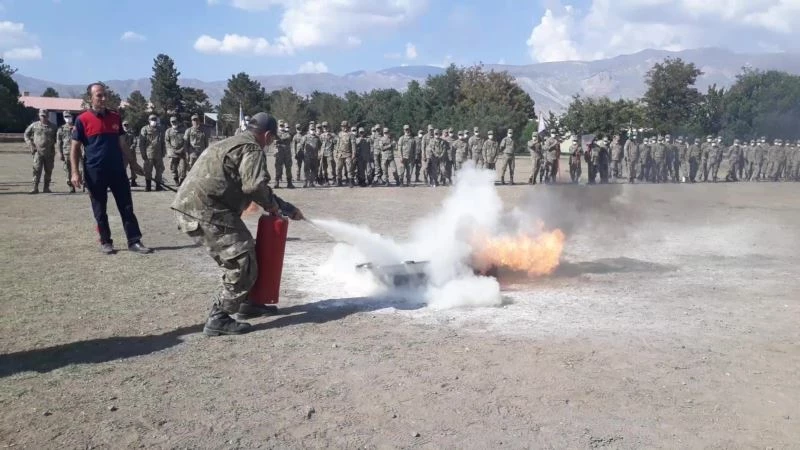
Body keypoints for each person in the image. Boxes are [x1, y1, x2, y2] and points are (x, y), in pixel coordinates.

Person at [171, 113, 304, 336]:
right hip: (206, 210)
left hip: (199, 206)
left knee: (248, 252)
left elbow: (252, 185)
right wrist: (273, 206)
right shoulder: (252, 148)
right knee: (242, 260)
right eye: (272, 139)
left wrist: (284, 207)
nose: (271, 143)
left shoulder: (232, 142)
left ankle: (247, 303)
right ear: (267, 135)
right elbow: (254, 186)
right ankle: (219, 317)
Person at [70, 82, 152, 255]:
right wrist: (75, 172)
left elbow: (123, 144)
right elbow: (74, 148)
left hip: (117, 170)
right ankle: (106, 241)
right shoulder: (82, 120)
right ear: (90, 98)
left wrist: (134, 164)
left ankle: (134, 241)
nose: (103, 98)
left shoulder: (115, 117)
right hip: (95, 172)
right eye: (99, 95)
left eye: (104, 95)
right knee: (100, 210)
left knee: (126, 207)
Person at [24, 109, 57, 194]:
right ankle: (35, 188)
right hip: (38, 152)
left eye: (45, 116)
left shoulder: (53, 127)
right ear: (39, 115)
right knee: (37, 169)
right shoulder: (34, 125)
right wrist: (30, 144)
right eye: (42, 116)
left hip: (49, 153)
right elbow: (26, 135)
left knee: (48, 170)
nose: (43, 117)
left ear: (48, 116)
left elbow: (58, 138)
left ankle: (46, 188)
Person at [57, 111, 77, 193]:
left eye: (69, 116)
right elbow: (59, 142)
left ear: (72, 117)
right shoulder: (61, 129)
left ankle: (84, 185)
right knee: (68, 170)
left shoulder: (77, 128)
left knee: (81, 169)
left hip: (78, 153)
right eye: (66, 117)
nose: (68, 118)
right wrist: (60, 153)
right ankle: (71, 187)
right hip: (66, 153)